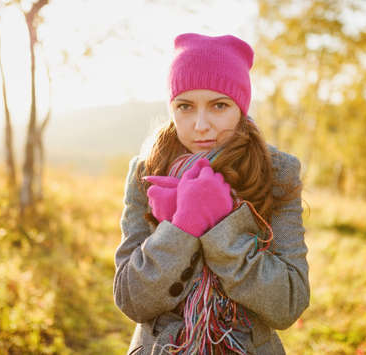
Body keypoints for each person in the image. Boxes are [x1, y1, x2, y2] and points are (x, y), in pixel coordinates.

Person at [113, 33, 310, 355]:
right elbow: (131, 299)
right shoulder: (147, 172)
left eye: (219, 105)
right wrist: (182, 229)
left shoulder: (277, 172)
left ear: (240, 107)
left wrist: (223, 231)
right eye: (185, 107)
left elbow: (288, 304)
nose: (201, 125)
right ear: (171, 108)